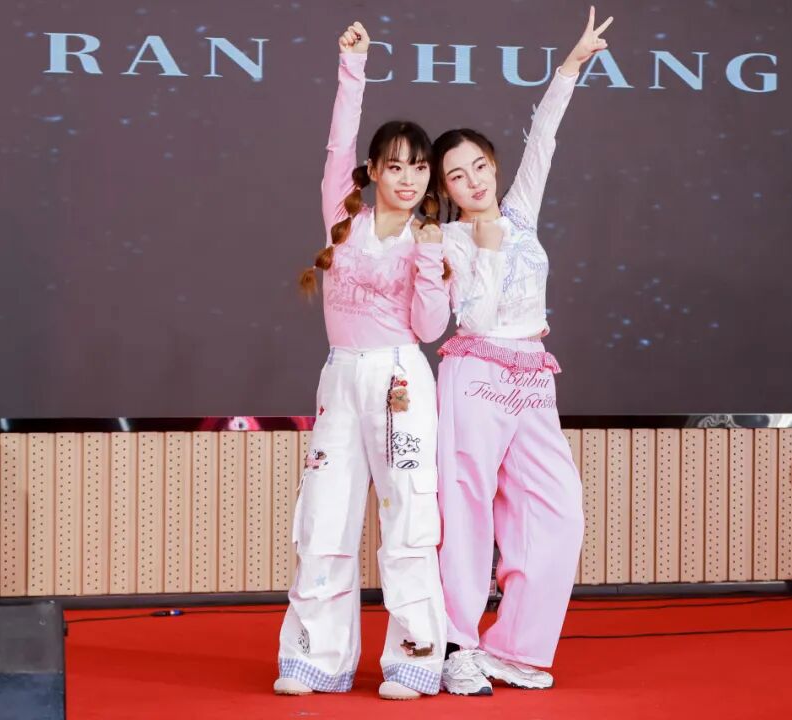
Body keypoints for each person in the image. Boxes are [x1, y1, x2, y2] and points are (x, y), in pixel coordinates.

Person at [430, 6, 614, 697]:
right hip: (475, 371)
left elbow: (545, 138)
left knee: (557, 511)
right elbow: (474, 314)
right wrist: (481, 250)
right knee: (466, 510)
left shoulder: (520, 212)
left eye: (480, 166)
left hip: (534, 377)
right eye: (458, 176)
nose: (474, 181)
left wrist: (569, 67)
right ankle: (456, 644)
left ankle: (514, 649)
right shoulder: (445, 240)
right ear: (444, 190)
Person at [274, 21, 449, 701]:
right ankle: (315, 657)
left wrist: (429, 261)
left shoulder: (431, 239)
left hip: (400, 378)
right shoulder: (341, 217)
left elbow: (430, 328)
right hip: (341, 377)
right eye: (395, 165)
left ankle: (414, 656)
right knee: (324, 516)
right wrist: (353, 67)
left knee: (409, 515)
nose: (408, 178)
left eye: (419, 167)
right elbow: (337, 141)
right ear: (373, 171)